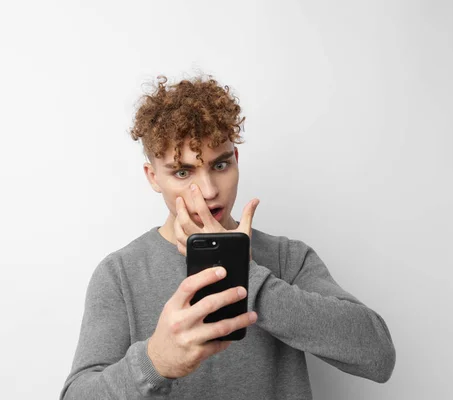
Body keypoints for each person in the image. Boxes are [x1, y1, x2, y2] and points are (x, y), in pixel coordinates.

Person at [59, 74, 396, 400]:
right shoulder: (120, 273)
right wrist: (155, 363)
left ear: (235, 159)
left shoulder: (285, 258)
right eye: (182, 171)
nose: (208, 191)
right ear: (153, 177)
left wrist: (247, 278)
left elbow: (378, 356)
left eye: (219, 166)